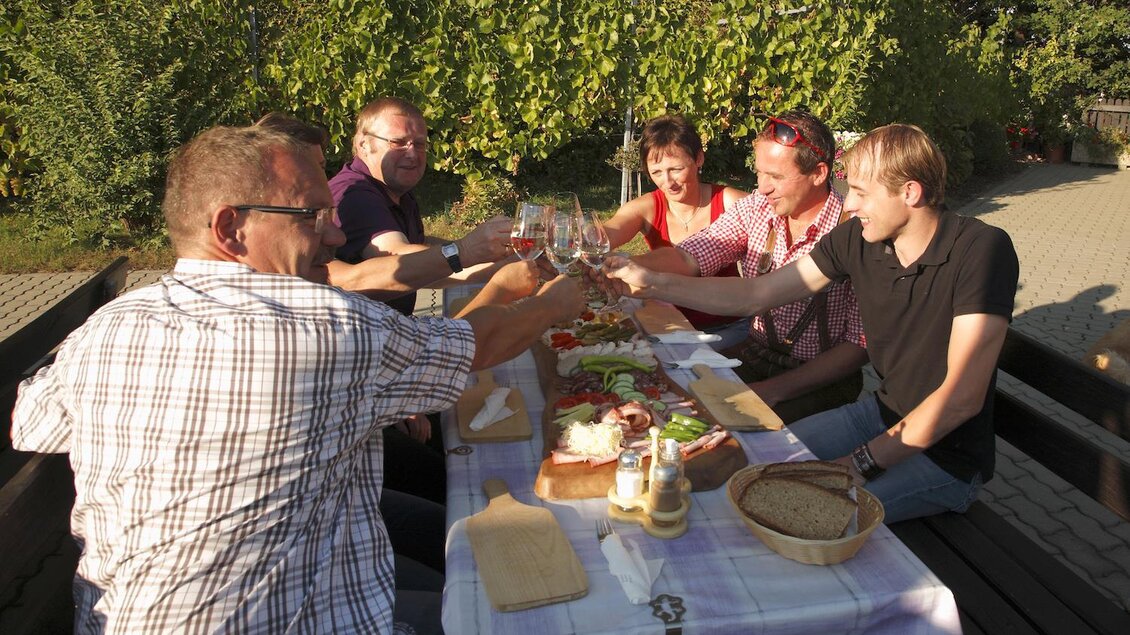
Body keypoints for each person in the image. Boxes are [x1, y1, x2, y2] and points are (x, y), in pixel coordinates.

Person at [10, 125, 583, 634]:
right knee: (521, 607)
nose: (335, 237)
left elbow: (31, 423)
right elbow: (476, 346)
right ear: (230, 227)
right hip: (295, 615)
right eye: (312, 216)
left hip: (122, 617)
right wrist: (555, 302)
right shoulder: (323, 329)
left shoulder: (110, 326)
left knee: (458, 542)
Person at [608, 123, 1019, 523]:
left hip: (947, 457)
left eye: (860, 192)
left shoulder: (981, 250)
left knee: (805, 508)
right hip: (879, 415)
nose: (850, 204)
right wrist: (652, 282)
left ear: (910, 192)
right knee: (750, 464)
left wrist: (859, 463)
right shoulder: (859, 239)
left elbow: (962, 398)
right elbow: (758, 293)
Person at [256, 111, 529, 504]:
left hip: (367, 380)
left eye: (420, 144)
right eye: (398, 141)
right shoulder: (357, 196)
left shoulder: (387, 192)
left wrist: (486, 263)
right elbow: (382, 268)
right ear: (363, 144)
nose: (332, 225)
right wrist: (472, 259)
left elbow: (417, 263)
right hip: (327, 458)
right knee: (457, 469)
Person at [612, 111, 868, 423]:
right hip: (755, 354)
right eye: (760, 174)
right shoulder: (759, 208)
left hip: (820, 379)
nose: (762, 188)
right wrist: (624, 265)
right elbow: (691, 255)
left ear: (818, 173)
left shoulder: (857, 232)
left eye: (775, 177)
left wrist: (772, 390)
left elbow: (858, 348)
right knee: (661, 391)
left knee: (728, 434)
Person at [601, 114, 749, 347]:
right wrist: (583, 238)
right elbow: (609, 231)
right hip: (666, 326)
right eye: (657, 172)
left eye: (676, 169)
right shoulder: (647, 206)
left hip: (727, 327)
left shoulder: (731, 202)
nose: (668, 181)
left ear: (699, 159)